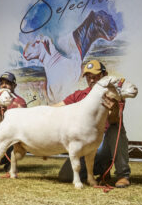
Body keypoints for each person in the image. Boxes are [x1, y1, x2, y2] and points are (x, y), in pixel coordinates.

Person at [53, 60, 131, 188]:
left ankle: (123, 175)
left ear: (104, 75)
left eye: (95, 76)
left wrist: (114, 109)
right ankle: (100, 169)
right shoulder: (79, 95)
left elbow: (114, 121)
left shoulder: (114, 94)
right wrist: (36, 113)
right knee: (65, 176)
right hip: (84, 145)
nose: (91, 80)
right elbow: (57, 107)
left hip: (103, 145)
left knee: (116, 129)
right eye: (88, 77)